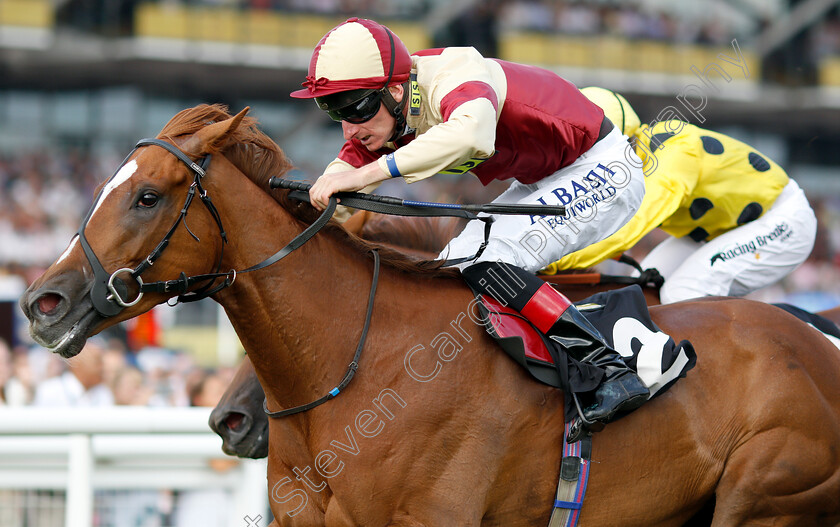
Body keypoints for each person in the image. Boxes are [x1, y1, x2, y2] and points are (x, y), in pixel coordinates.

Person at [293, 17, 650, 441]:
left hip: (603, 168)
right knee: (445, 272)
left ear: (393, 91)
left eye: (354, 109)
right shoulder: (390, 107)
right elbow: (344, 171)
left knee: (493, 261)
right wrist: (310, 202)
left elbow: (472, 134)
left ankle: (608, 370)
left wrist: (368, 173)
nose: (349, 126)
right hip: (544, 179)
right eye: (334, 111)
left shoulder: (456, 74)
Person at [541, 87, 818, 304]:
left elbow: (631, 226)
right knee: (640, 288)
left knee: (683, 293)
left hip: (782, 220)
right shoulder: (628, 162)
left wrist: (554, 260)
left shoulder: (674, 153)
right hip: (718, 230)